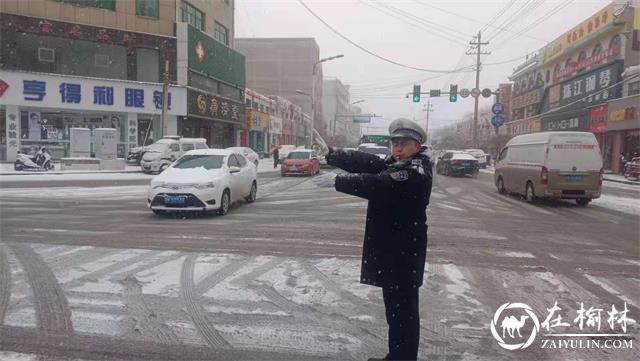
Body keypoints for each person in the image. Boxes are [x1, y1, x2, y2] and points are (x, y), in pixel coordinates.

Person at [316, 118, 433, 361]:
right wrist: (333, 155)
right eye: (395, 143)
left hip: (404, 255)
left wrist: (339, 181)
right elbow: (369, 163)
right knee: (396, 312)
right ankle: (398, 356)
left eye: (404, 143)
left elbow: (383, 184)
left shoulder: (416, 170)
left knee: (404, 314)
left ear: (418, 145)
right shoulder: (397, 163)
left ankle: (403, 358)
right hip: (394, 252)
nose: (398, 148)